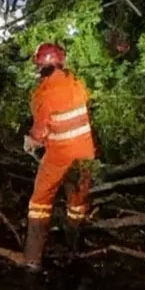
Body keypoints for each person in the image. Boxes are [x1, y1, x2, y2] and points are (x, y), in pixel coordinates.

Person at [22, 42, 99, 271]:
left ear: (40, 66)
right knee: (77, 201)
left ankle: (33, 260)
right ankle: (73, 248)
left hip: (60, 155)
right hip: (85, 153)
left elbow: (40, 131)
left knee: (39, 202)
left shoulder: (43, 94)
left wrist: (31, 142)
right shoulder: (77, 83)